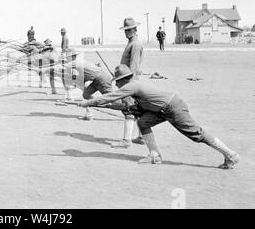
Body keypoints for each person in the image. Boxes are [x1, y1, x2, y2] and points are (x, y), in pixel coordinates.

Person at [80, 64, 240, 169]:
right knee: (143, 123)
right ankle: (154, 155)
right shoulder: (134, 85)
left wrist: (88, 103)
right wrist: (95, 104)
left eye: (117, 82)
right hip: (163, 109)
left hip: (172, 107)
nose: (116, 85)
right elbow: (126, 106)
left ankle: (230, 155)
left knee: (196, 134)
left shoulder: (130, 86)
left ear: (122, 80)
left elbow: (110, 97)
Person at [114, 17, 145, 148]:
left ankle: (127, 140)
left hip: (130, 80)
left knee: (129, 109)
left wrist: (128, 83)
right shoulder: (131, 43)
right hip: (128, 79)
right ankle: (141, 137)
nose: (127, 32)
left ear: (135, 29)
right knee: (136, 110)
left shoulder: (136, 44)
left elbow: (133, 66)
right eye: (125, 30)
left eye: (129, 30)